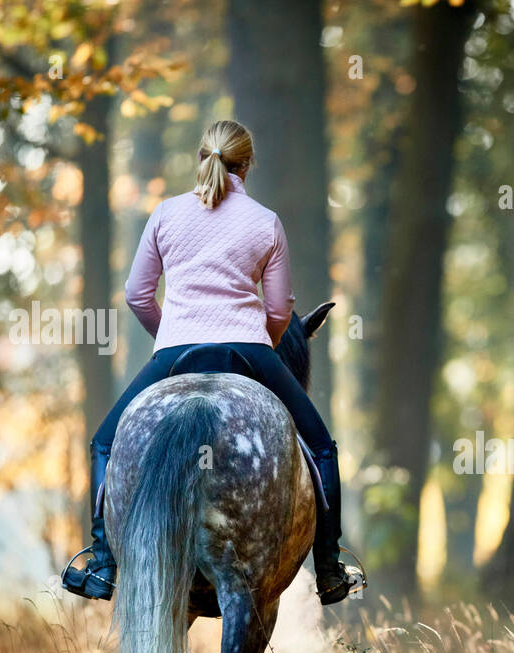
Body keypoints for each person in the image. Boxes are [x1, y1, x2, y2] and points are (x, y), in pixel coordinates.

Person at [61, 119, 360, 605]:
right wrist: (262, 344)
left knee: (103, 442)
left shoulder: (165, 214)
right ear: (247, 165)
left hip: (176, 353)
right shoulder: (265, 221)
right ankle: (329, 568)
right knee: (321, 447)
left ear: (202, 158)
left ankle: (101, 562)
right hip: (249, 350)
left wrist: (173, 339)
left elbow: (138, 296)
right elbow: (281, 310)